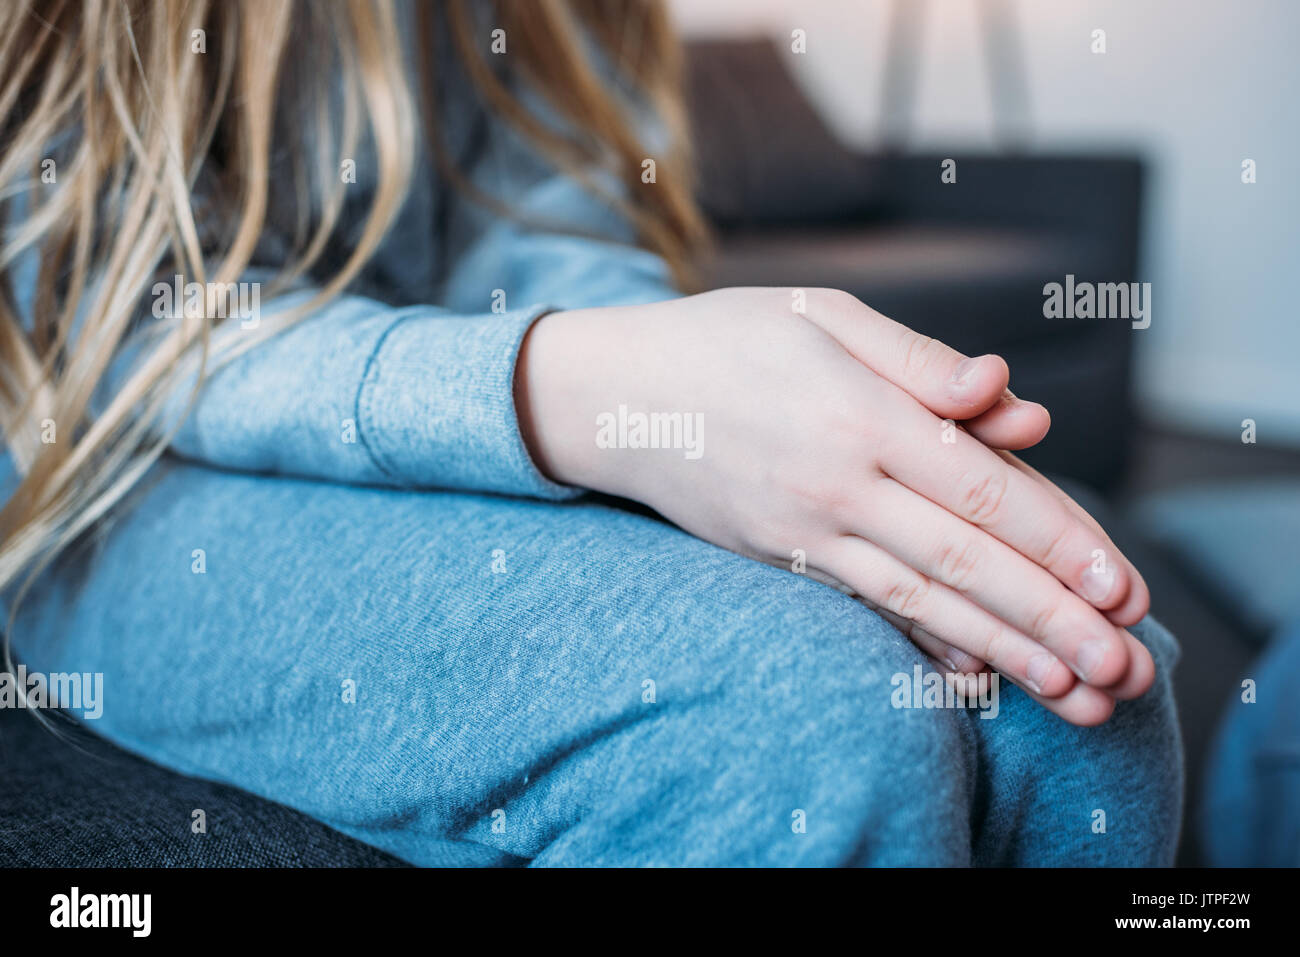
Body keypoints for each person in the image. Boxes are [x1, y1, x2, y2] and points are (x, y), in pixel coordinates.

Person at [0, 0, 1180, 865]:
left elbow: (549, 218)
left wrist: (707, 396)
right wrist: (557, 390)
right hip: (116, 472)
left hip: (425, 400)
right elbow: (123, 324)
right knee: (795, 720)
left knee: (1076, 702)